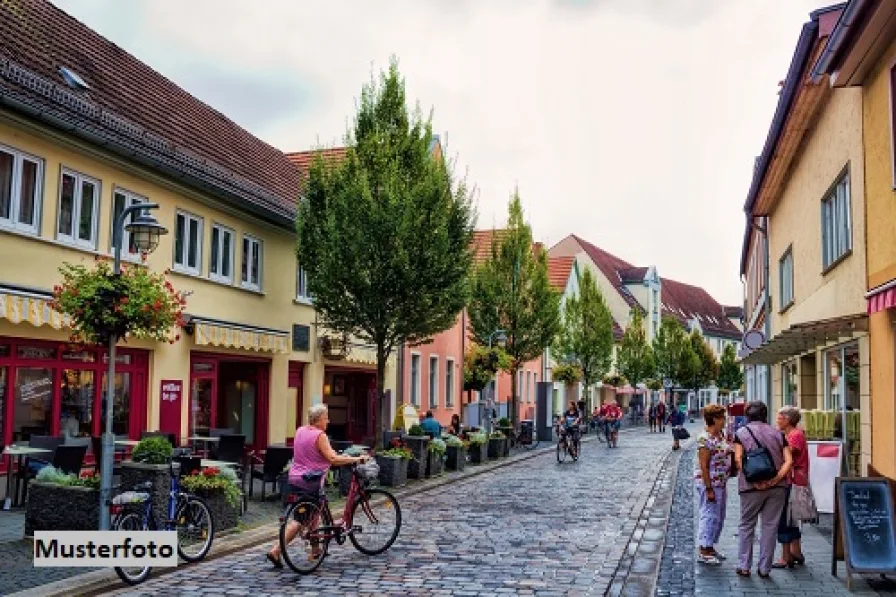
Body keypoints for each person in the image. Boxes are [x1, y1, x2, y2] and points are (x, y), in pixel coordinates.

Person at [266, 404, 367, 568]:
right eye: (326, 417)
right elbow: (332, 459)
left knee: (314, 514)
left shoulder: (300, 431)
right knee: (299, 520)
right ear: (319, 419)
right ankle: (276, 550)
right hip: (310, 481)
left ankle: (316, 549)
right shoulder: (320, 435)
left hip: (294, 478)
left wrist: (341, 456)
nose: (328, 420)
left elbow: (314, 452)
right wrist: (356, 459)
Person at [733, 401, 793, 579]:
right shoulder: (778, 433)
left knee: (746, 525)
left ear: (747, 416)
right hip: (777, 488)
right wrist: (774, 480)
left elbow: (738, 459)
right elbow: (788, 461)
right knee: (770, 527)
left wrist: (754, 481)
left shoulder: (741, 433)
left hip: (750, 487)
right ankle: (765, 568)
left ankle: (744, 565)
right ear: (765, 415)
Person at [695, 405, 733, 565]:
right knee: (709, 515)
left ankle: (710, 546)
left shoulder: (720, 435)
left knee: (719, 516)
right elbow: (703, 466)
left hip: (721, 482)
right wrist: (709, 488)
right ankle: (703, 550)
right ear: (714, 419)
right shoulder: (705, 439)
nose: (724, 420)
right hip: (710, 482)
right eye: (722, 417)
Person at [774, 406, 810, 569]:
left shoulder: (794, 436)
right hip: (796, 480)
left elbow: (788, 455)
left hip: (791, 481)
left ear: (787, 420)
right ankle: (797, 552)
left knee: (785, 519)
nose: (777, 421)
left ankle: (786, 556)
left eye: (779, 418)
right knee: (792, 518)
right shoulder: (794, 434)